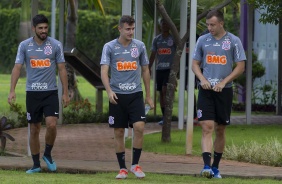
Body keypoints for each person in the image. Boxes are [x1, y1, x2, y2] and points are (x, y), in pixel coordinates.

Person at [8, 14, 70, 174]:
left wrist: (64, 93)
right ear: (33, 28)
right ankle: (36, 165)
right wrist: (12, 90)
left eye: (46, 28)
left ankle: (48, 155)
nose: (44, 31)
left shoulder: (56, 45)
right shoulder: (24, 46)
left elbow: (62, 69)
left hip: (50, 93)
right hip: (32, 93)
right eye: (40, 28)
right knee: (34, 128)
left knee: (51, 124)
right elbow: (17, 67)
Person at [192, 10, 246, 179]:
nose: (209, 28)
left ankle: (215, 167)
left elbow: (240, 66)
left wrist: (224, 82)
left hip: (224, 91)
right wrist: (202, 78)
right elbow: (195, 63)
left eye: (212, 25)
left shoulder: (233, 41)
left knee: (220, 129)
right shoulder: (202, 40)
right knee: (207, 127)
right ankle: (206, 166)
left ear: (221, 23)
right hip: (206, 91)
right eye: (208, 25)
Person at [100, 15, 154, 179]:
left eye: (132, 29)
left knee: (139, 127)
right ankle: (122, 168)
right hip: (117, 96)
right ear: (120, 29)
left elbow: (145, 70)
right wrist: (109, 91)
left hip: (135, 94)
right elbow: (103, 71)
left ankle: (135, 165)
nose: (131, 32)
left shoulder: (139, 46)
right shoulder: (109, 47)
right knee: (119, 131)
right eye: (128, 29)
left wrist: (148, 95)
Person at [149, 18, 176, 125]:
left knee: (166, 90)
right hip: (159, 69)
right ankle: (164, 116)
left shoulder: (173, 39)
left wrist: (176, 70)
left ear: (169, 26)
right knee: (160, 92)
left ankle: (167, 116)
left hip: (169, 69)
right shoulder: (157, 39)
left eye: (166, 24)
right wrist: (148, 68)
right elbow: (153, 54)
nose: (165, 25)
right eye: (163, 23)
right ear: (160, 26)